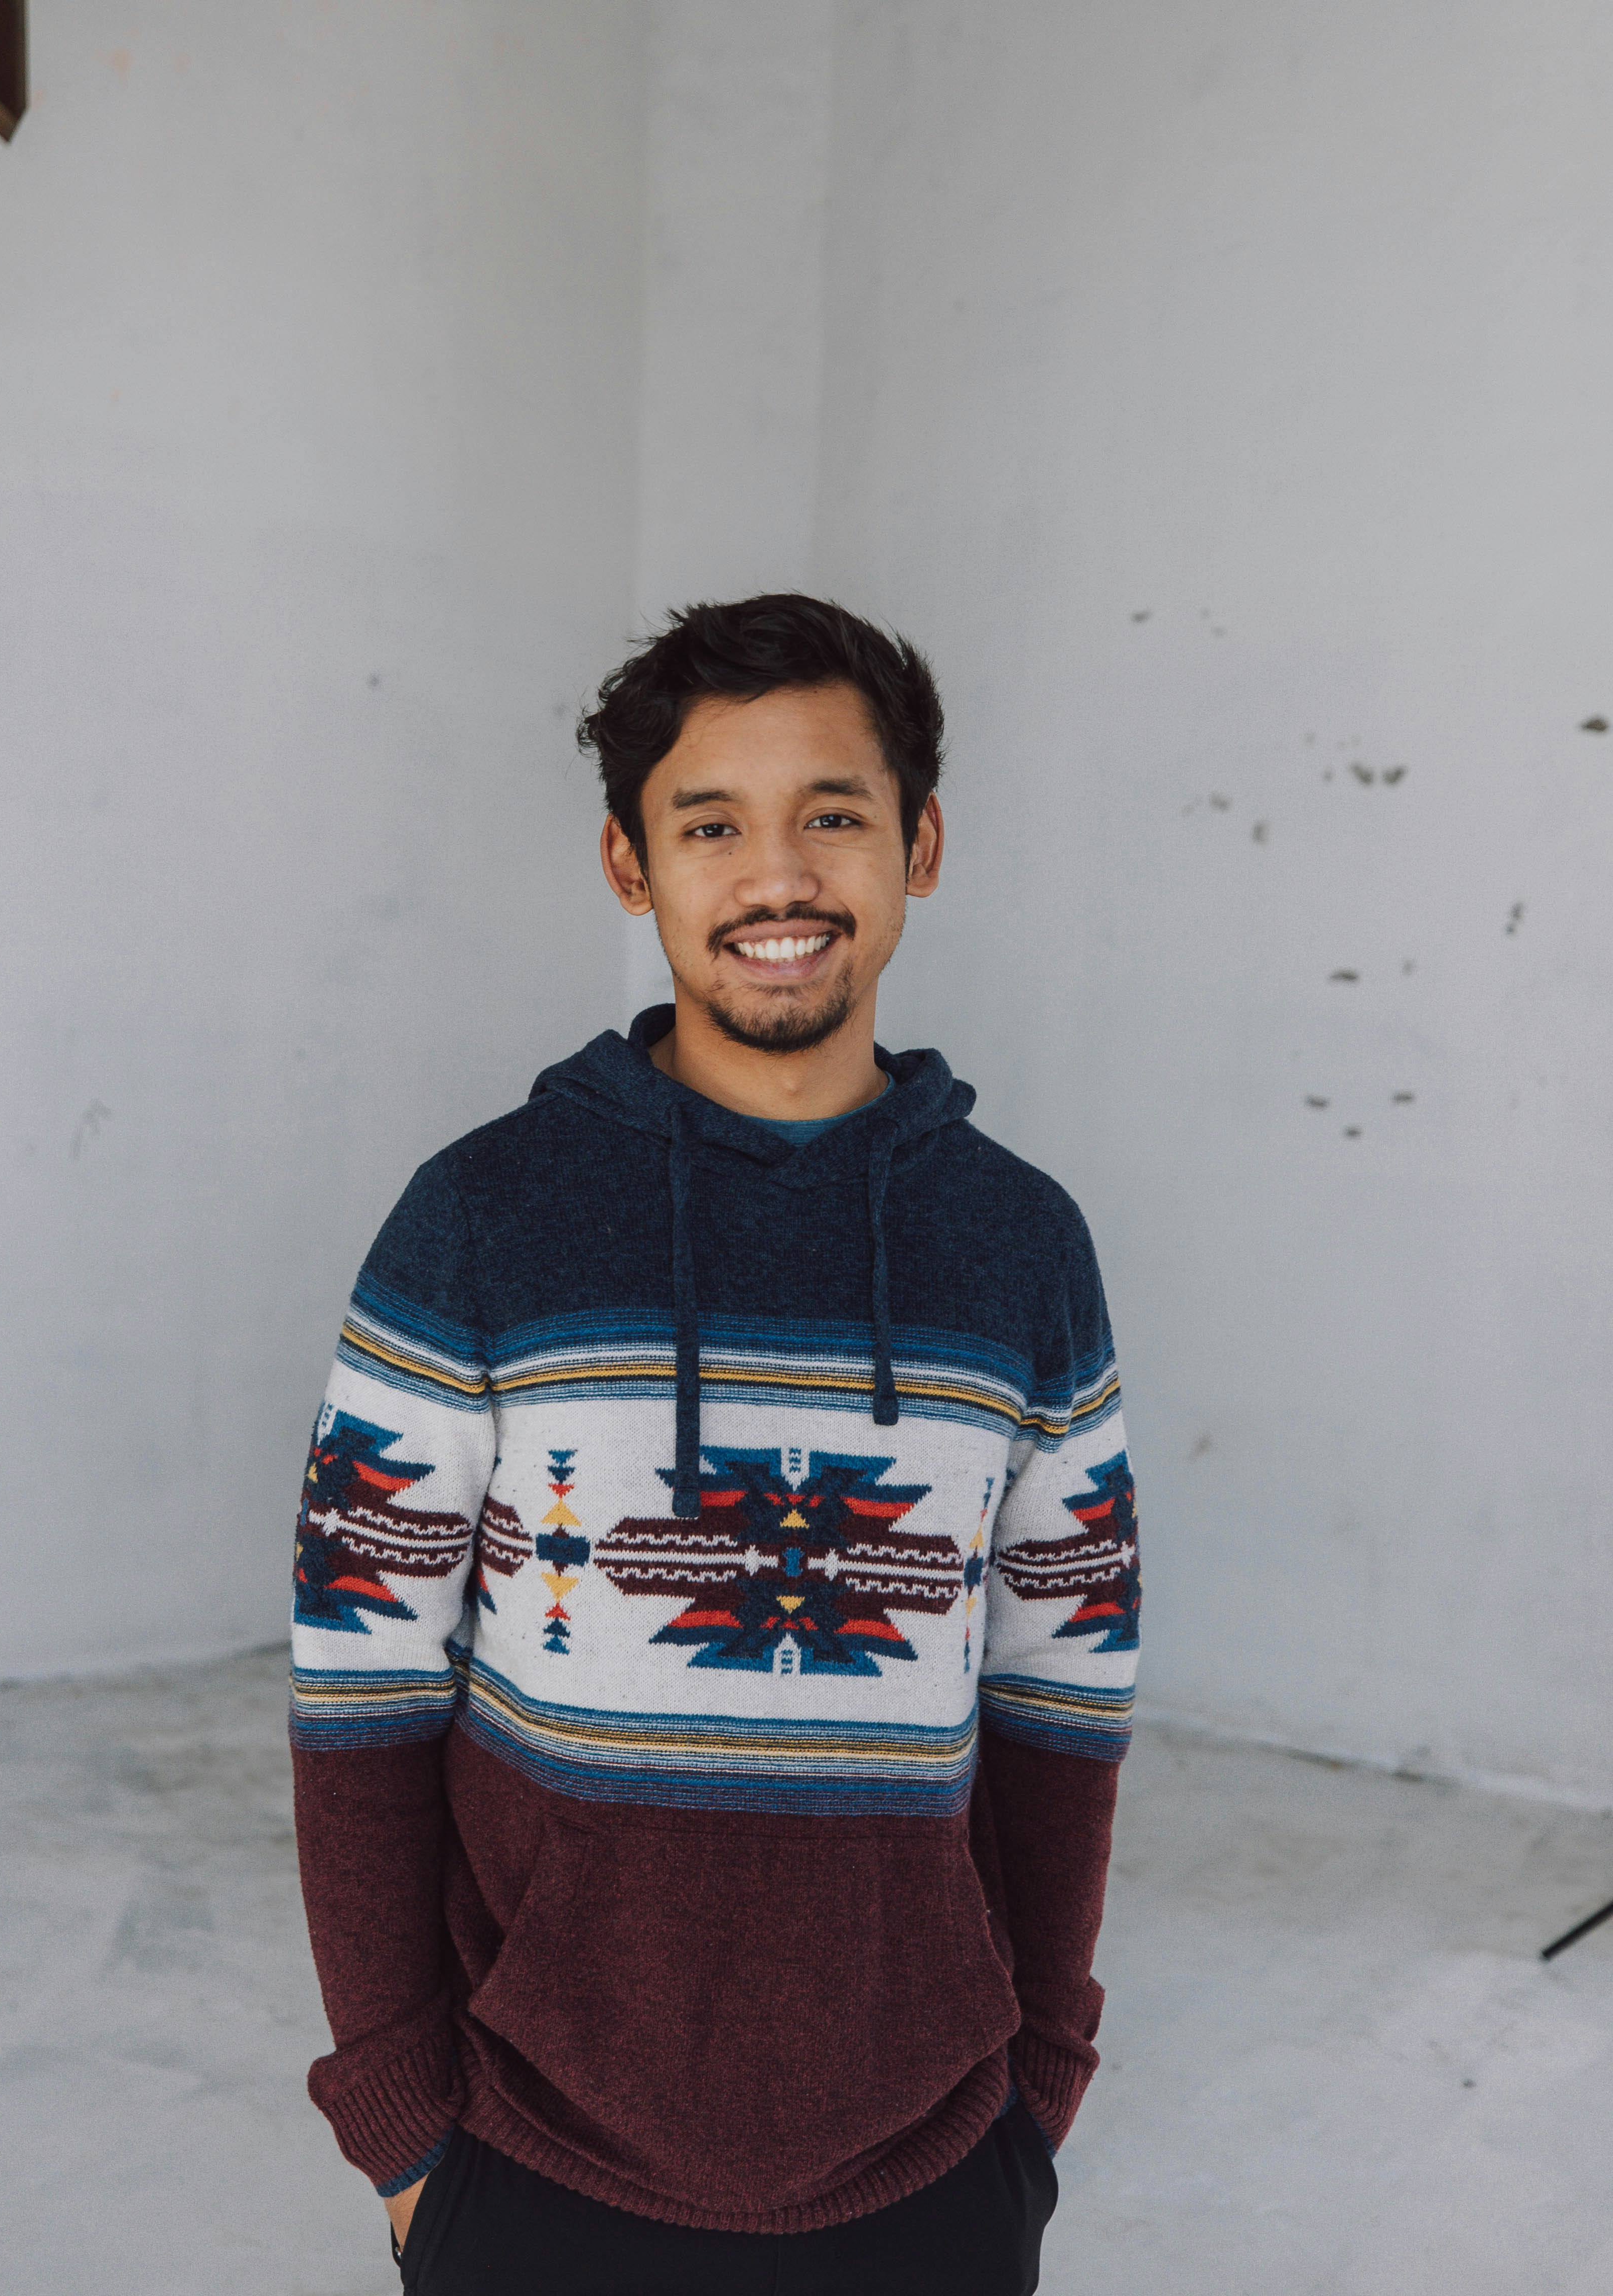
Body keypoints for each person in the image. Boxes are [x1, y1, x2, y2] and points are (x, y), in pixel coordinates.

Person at [289, 595, 1140, 2294]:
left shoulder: (1022, 1247)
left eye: (834, 813)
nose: (779, 878)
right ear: (631, 865)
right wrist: (405, 2130)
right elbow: (359, 1680)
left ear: (922, 843)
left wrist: (1038, 2085)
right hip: (530, 2161)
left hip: (934, 2164)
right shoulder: (479, 1223)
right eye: (712, 825)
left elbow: (1067, 1688)